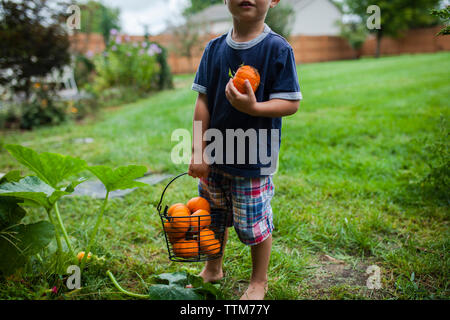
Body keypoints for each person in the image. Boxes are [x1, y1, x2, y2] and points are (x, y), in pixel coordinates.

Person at [188, 0, 302, 300]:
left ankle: (258, 281)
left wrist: (254, 107)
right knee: (213, 216)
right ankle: (213, 268)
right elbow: (202, 103)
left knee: (254, 224)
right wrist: (198, 150)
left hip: (253, 160)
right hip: (214, 157)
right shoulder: (213, 49)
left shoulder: (277, 49)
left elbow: (290, 102)